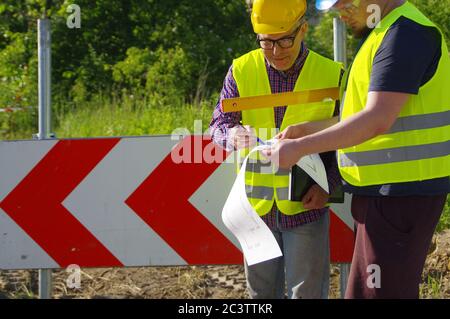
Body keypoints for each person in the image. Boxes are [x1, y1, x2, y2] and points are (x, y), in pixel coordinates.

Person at [263, 0, 450, 298]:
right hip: (387, 194)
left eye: (347, 3)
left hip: (399, 195)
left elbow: (377, 118)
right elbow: (363, 115)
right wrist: (306, 131)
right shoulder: (388, 32)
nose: (341, 12)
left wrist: (299, 147)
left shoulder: (405, 33)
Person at [209, 0, 343, 299]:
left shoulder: (332, 74)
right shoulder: (241, 70)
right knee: (261, 296)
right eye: (267, 42)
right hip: (256, 211)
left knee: (306, 293)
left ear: (303, 29)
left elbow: (347, 138)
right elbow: (217, 125)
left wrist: (330, 186)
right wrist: (232, 134)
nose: (276, 51)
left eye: (284, 40)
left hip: (306, 204)